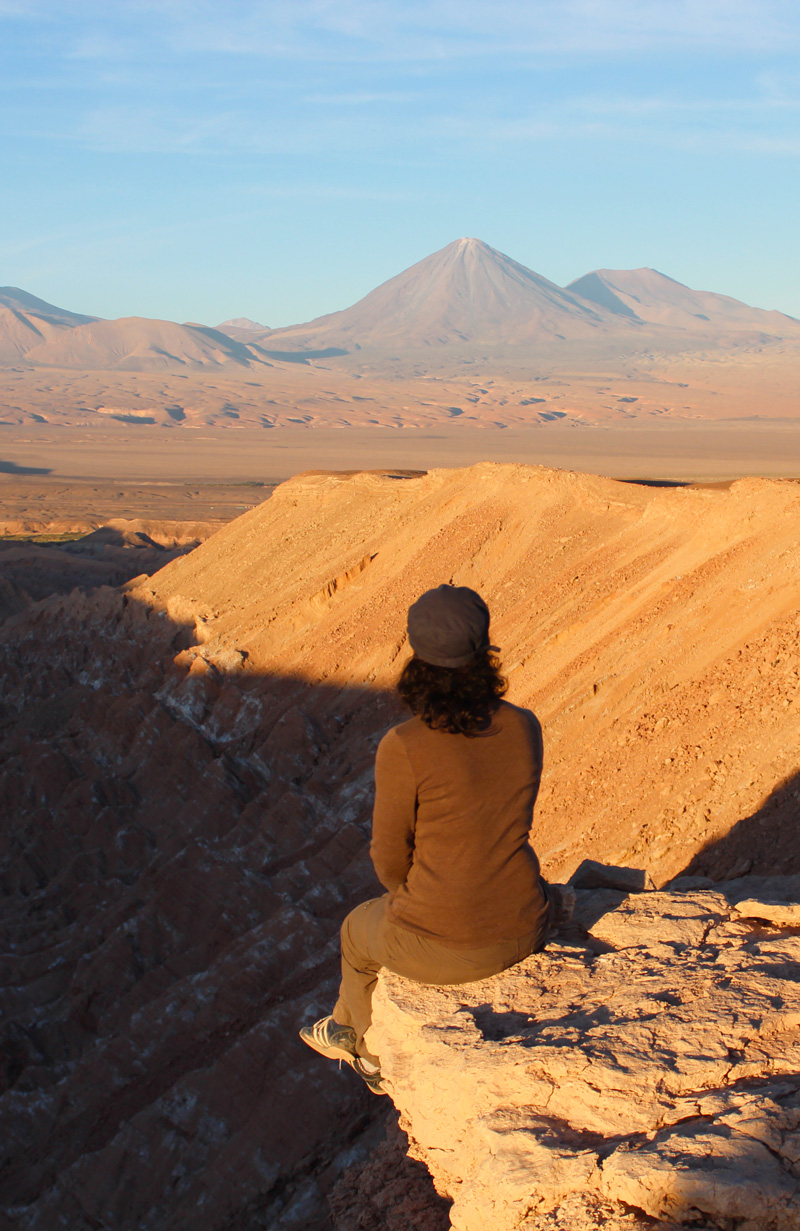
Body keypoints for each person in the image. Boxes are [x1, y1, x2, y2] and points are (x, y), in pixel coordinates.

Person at [299, 584, 551, 1094]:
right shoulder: (525, 726)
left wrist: (417, 900)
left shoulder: (405, 746)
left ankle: (360, 1045)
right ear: (484, 653)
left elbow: (389, 859)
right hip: (528, 924)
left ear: (416, 659)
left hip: (446, 947)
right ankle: (349, 1030)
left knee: (356, 930)